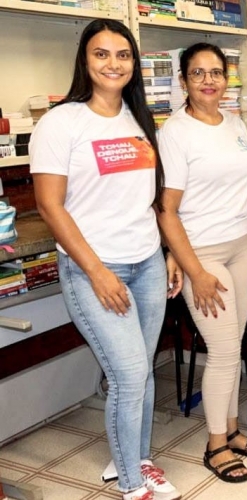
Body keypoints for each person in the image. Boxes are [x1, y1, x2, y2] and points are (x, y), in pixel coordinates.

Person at [30, 19, 180, 500]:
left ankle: (133, 462)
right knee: (128, 374)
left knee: (143, 370)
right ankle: (134, 486)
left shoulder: (140, 119)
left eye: (123, 55)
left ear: (134, 64)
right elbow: (49, 205)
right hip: (96, 269)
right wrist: (96, 271)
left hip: (147, 262)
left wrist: (168, 251)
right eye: (102, 54)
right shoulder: (62, 122)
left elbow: (150, 198)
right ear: (85, 61)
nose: (113, 63)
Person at [156, 43, 247, 483]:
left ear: (227, 79)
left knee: (234, 345)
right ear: (183, 81)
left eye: (217, 72)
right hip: (201, 253)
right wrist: (195, 271)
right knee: (222, 351)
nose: (209, 80)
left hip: (240, 246)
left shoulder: (237, 122)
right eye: (199, 73)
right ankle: (215, 445)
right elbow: (167, 210)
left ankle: (234, 431)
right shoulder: (176, 133)